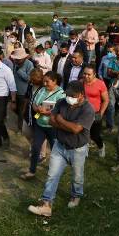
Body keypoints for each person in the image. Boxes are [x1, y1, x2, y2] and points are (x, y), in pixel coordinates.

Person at [27, 81, 95, 216]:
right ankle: (46, 204)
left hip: (77, 148)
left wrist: (60, 120)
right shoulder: (61, 102)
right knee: (52, 175)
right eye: (67, 94)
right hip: (59, 145)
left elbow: (76, 129)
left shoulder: (88, 109)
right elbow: (52, 120)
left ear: (81, 95)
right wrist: (62, 123)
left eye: (72, 95)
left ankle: (76, 195)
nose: (68, 97)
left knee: (77, 175)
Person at [21, 71, 65, 180]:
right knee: (36, 147)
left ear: (55, 81)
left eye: (47, 82)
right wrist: (37, 109)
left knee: (55, 150)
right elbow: (34, 103)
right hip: (40, 124)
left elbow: (62, 110)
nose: (44, 84)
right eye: (44, 81)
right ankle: (32, 171)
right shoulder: (41, 90)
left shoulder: (61, 94)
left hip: (53, 127)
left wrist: (50, 112)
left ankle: (55, 172)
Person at [82, 65, 109, 157]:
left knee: (95, 135)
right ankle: (85, 148)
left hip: (96, 113)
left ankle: (101, 147)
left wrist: (101, 113)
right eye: (84, 74)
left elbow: (106, 100)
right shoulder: (81, 83)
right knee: (84, 132)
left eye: (89, 74)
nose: (86, 76)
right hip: (83, 113)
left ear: (94, 74)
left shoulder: (100, 84)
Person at [11, 48, 34, 133]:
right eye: (15, 59)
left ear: (24, 58)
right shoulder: (15, 64)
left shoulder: (29, 64)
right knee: (14, 108)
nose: (16, 60)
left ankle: (20, 128)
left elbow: (30, 78)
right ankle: (22, 121)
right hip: (14, 91)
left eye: (18, 59)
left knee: (21, 110)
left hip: (24, 93)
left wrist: (19, 71)